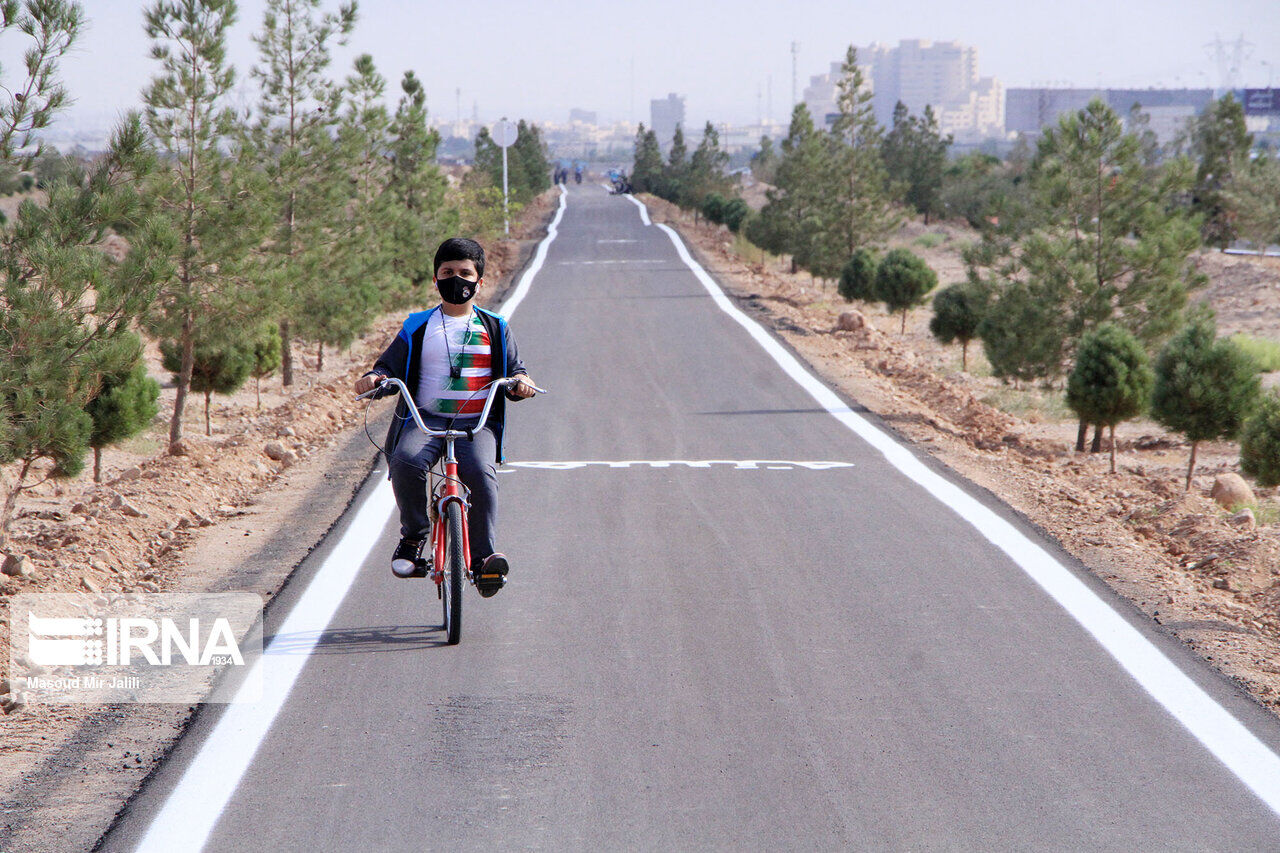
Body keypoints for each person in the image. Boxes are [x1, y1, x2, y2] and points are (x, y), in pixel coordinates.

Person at [354, 237, 538, 597]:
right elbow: (387, 366)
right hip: (425, 421)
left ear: (479, 281)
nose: (457, 279)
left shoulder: (496, 326)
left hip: (476, 425)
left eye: (465, 273)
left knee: (483, 478)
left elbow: (517, 370)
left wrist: (522, 383)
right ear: (436, 280)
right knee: (405, 461)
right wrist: (376, 378)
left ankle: (484, 559)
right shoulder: (417, 326)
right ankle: (413, 537)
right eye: (448, 272)